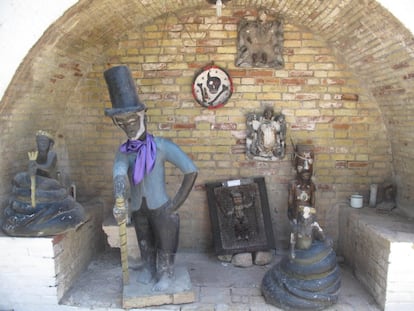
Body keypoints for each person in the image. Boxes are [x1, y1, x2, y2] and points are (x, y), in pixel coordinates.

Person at [104, 65, 198, 292]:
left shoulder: (161, 146)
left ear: (143, 116)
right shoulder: (124, 151)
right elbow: (118, 171)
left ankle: (165, 272)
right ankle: (148, 267)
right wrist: (119, 198)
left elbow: (190, 170)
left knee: (165, 242)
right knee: (144, 239)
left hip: (160, 205)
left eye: (132, 121)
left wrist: (175, 204)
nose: (128, 127)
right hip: (138, 207)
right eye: (122, 123)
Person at [2, 130, 86, 237]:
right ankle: (26, 200)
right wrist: (31, 169)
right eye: (39, 142)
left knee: (46, 188)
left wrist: (36, 165)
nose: (41, 144)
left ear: (50, 144)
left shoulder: (52, 154)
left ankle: (40, 205)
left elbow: (48, 167)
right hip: (37, 181)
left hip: (49, 181)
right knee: (20, 177)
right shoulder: (35, 154)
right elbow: (31, 171)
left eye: (44, 142)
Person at [287, 144, 326, 259]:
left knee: (314, 233)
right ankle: (293, 251)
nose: (306, 168)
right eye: (301, 164)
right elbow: (290, 204)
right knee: (295, 233)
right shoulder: (293, 185)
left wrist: (311, 218)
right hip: (297, 216)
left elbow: (313, 204)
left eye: (309, 164)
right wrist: (292, 217)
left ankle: (313, 249)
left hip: (308, 216)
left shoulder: (311, 186)